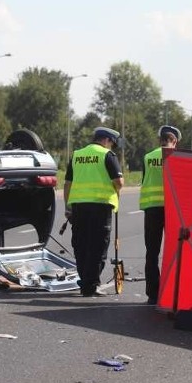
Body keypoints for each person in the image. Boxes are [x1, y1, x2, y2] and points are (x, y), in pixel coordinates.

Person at [64, 127, 124, 297]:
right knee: (97, 247)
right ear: (107, 140)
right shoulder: (107, 155)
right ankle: (90, 285)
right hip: (101, 207)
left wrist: (68, 207)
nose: (111, 147)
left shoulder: (77, 155)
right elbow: (118, 182)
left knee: (81, 245)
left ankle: (85, 281)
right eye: (111, 143)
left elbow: (67, 183)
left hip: (79, 207)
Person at [140, 125, 181, 305]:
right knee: (174, 251)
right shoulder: (176, 157)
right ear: (175, 142)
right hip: (171, 209)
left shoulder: (148, 157)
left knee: (152, 252)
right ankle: (172, 292)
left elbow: (144, 180)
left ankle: (153, 294)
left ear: (160, 140)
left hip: (151, 207)